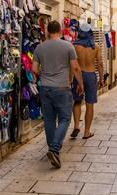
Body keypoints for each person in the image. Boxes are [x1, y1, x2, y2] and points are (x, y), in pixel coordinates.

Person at [32, 20, 83, 169]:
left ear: (47, 31)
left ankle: (52, 149)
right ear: (60, 31)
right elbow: (75, 68)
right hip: (62, 87)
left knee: (49, 119)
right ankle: (54, 149)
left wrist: (41, 77)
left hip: (45, 88)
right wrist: (80, 84)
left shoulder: (39, 48)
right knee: (65, 118)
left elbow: (34, 70)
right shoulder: (68, 46)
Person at [70, 23, 103, 139]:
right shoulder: (96, 47)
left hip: (78, 75)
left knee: (77, 101)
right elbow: (100, 64)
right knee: (90, 104)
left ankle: (76, 126)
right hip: (90, 76)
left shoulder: (74, 46)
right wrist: (102, 79)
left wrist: (70, 79)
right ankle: (87, 132)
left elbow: (72, 65)